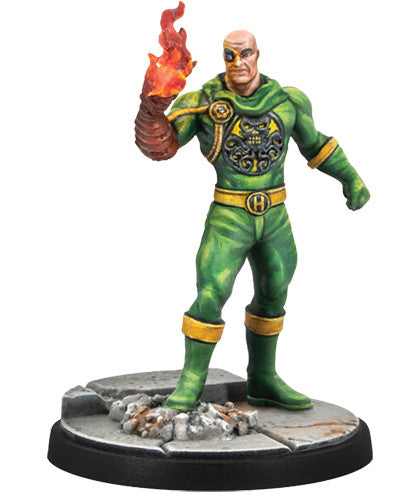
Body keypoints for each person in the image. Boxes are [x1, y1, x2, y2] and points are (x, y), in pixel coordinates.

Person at [135, 30, 370, 412]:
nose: (238, 63)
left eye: (245, 54)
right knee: (211, 293)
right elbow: (161, 146)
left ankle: (263, 378)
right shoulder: (203, 103)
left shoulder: (287, 101)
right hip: (229, 216)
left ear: (257, 54)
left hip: (275, 215)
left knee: (275, 289)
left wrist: (351, 178)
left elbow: (314, 143)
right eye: (230, 56)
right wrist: (151, 109)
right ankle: (191, 382)